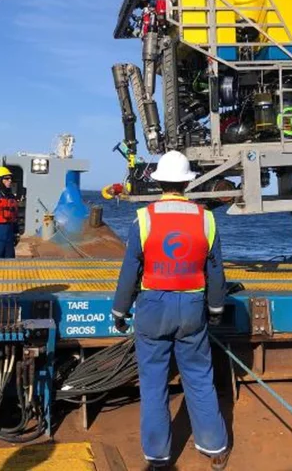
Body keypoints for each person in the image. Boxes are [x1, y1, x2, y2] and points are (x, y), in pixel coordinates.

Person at [111, 151, 230, 470]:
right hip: (192, 307)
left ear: (159, 181)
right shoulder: (206, 218)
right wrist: (216, 307)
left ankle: (158, 456)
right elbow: (216, 270)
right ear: (188, 182)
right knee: (199, 377)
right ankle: (214, 447)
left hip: (152, 306)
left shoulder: (144, 218)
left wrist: (119, 311)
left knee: (153, 383)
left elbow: (129, 270)